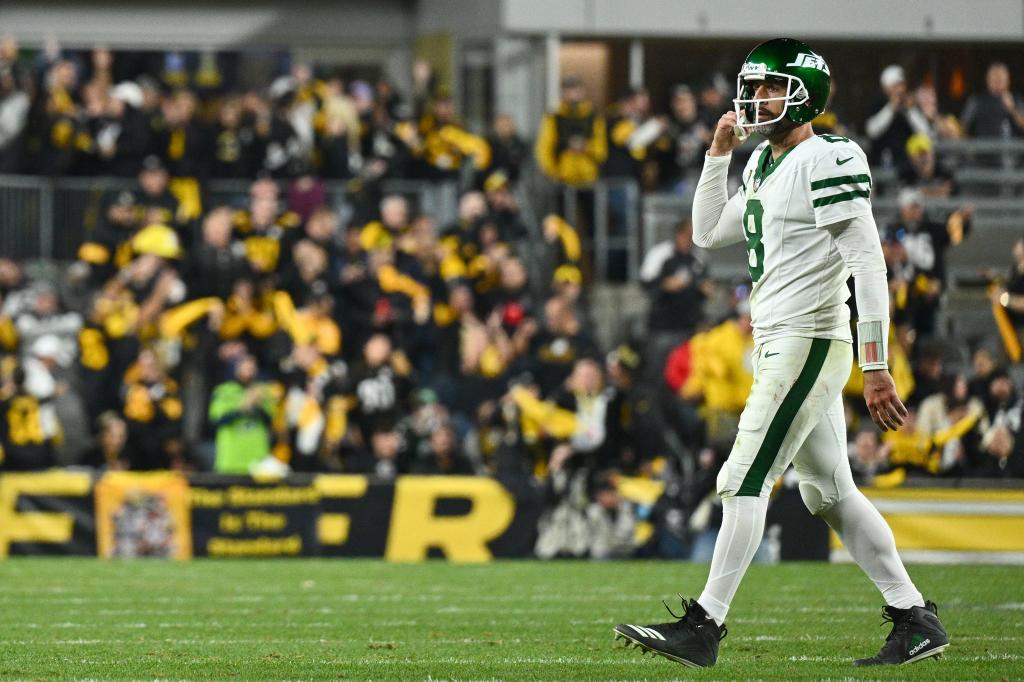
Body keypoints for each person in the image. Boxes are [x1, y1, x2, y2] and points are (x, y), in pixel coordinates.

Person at [613, 38, 948, 668]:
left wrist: (875, 364)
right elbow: (709, 232)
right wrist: (718, 156)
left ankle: (704, 625)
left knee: (743, 477)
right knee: (828, 494)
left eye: (771, 87)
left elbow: (868, 262)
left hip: (809, 340)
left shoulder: (829, 156)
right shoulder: (765, 163)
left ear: (806, 95)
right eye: (755, 86)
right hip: (780, 342)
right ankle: (914, 615)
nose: (757, 98)